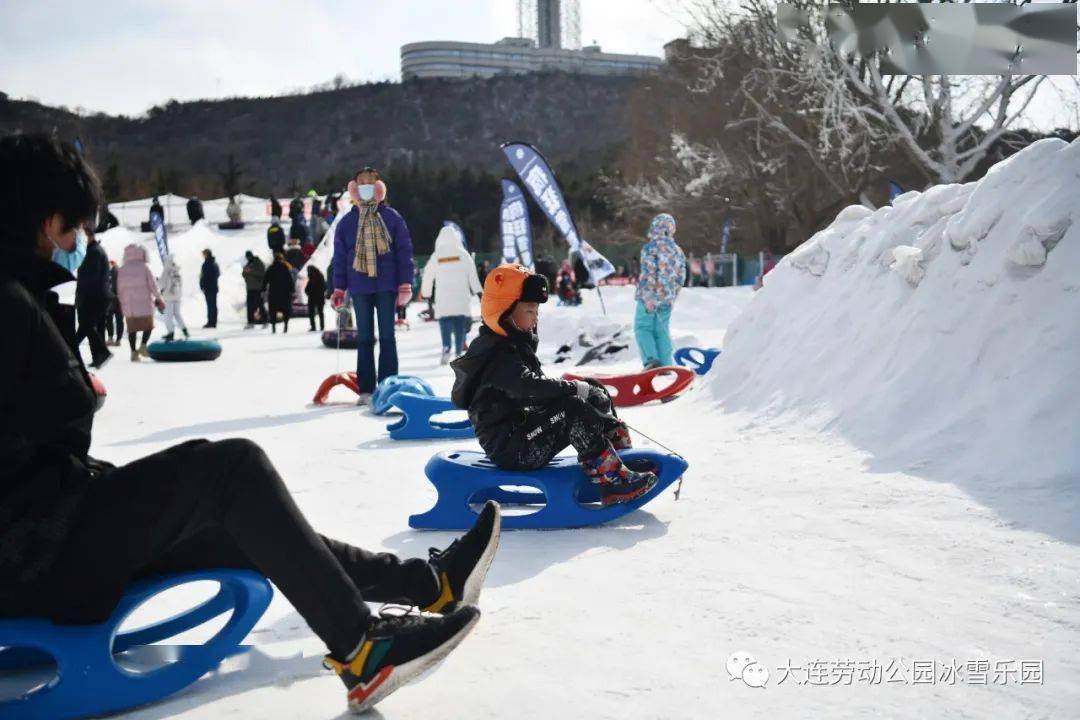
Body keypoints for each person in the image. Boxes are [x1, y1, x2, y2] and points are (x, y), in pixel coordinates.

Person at [0, 133, 497, 716]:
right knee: (230, 471)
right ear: (45, 218)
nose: (78, 244)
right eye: (73, 230)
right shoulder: (8, 304)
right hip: (33, 553)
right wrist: (73, 393)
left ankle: (427, 585)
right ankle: (365, 648)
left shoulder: (20, 296)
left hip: (44, 531)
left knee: (236, 523)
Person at [450, 264, 657, 505]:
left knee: (591, 390)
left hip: (524, 432)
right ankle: (612, 482)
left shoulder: (514, 343)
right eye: (529, 310)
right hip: (512, 449)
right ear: (503, 312)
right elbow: (528, 388)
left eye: (536, 310)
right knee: (572, 408)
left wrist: (583, 389)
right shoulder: (497, 353)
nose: (535, 316)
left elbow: (539, 392)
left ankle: (620, 455)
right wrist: (572, 389)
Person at [330, 167, 414, 405]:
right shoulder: (347, 222)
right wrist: (338, 288)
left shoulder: (391, 217)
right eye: (361, 181)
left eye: (370, 181)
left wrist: (405, 283)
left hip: (386, 285)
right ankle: (366, 389)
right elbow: (340, 258)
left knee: (388, 337)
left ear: (378, 187)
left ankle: (388, 386)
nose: (365, 185)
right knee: (365, 338)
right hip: (359, 287)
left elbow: (404, 251)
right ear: (354, 188)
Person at [420, 225, 482, 364]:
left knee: (445, 322)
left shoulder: (437, 256)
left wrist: (426, 292)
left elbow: (428, 275)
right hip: (461, 298)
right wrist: (479, 292)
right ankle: (459, 351)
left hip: (443, 298)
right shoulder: (463, 254)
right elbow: (473, 276)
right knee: (460, 324)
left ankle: (446, 346)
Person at [634, 213, 686, 369]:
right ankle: (666, 365)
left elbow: (649, 272)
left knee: (642, 327)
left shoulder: (651, 248)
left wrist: (649, 296)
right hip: (667, 298)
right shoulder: (677, 251)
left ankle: (651, 360)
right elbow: (681, 276)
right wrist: (672, 295)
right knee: (662, 330)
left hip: (649, 297)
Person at [116, 243, 165, 360]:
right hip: (145, 305)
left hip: (129, 306)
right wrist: (158, 298)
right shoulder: (145, 267)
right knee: (148, 326)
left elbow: (119, 289)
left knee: (132, 329)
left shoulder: (121, 269)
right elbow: (153, 285)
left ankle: (133, 352)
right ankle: (143, 345)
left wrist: (121, 302)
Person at [73, 228, 113, 368]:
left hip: (94, 296)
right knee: (93, 327)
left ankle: (72, 349)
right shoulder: (95, 251)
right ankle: (99, 356)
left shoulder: (93, 252)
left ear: (89, 236)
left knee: (86, 325)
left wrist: (81, 296)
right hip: (100, 295)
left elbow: (89, 278)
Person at [158, 255, 189, 342]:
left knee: (168, 316)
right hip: (177, 297)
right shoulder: (177, 272)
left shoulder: (166, 271)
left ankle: (170, 333)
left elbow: (161, 284)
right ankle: (184, 330)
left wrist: (156, 281)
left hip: (169, 296)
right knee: (177, 314)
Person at [265, 252, 294, 333]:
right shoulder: (285, 267)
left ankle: (274, 328)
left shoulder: (271, 268)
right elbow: (290, 280)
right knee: (286, 310)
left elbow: (265, 279)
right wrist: (292, 290)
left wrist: (263, 289)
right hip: (285, 293)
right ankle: (285, 326)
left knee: (273, 311)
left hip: (273, 293)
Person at [242, 251, 268, 328]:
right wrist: (245, 272)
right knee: (249, 305)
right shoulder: (248, 264)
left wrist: (251, 272)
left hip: (257, 288)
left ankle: (265, 321)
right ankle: (250, 322)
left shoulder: (259, 263)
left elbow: (262, 274)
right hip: (249, 288)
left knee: (259, 304)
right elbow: (244, 274)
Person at [200, 248, 220, 328]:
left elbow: (205, 276)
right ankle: (212, 321)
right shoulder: (212, 263)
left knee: (211, 305)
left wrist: (205, 285)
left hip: (210, 288)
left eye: (204, 254)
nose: (203, 256)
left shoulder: (209, 264)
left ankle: (211, 322)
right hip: (212, 287)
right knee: (212, 305)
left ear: (207, 254)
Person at [106, 260, 124, 346]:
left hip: (113, 299)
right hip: (119, 299)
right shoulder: (121, 272)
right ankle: (118, 339)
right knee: (119, 319)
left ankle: (111, 338)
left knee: (110, 318)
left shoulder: (112, 271)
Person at [305, 265, 327, 332]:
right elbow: (325, 287)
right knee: (321, 312)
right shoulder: (321, 276)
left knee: (311, 313)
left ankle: (313, 327)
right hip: (320, 297)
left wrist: (307, 292)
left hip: (312, 297)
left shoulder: (311, 277)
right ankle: (322, 326)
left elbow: (307, 289)